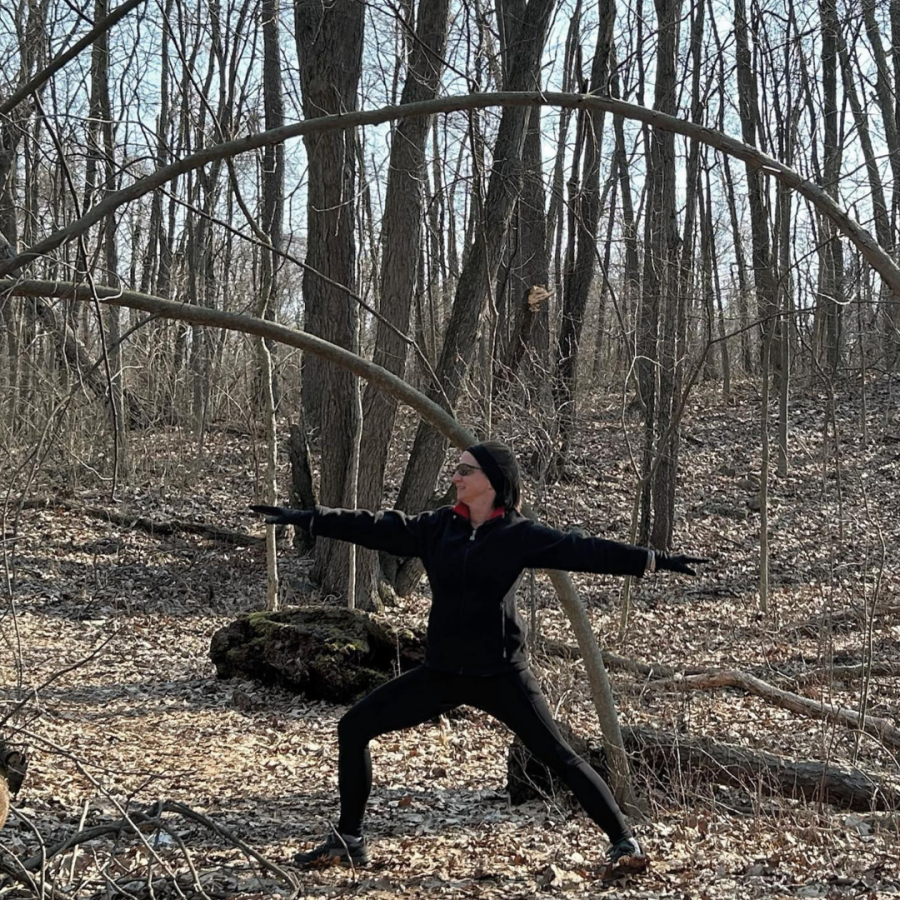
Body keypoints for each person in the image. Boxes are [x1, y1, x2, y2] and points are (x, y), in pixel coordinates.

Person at [251, 440, 706, 876]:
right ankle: (349, 840)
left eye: (465, 470)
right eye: (456, 468)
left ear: (492, 480)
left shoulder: (518, 535)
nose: (456, 475)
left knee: (561, 757)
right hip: (442, 673)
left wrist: (652, 560)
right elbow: (373, 526)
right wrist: (310, 518)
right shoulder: (437, 528)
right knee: (353, 727)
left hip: (501, 676)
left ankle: (623, 841)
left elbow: (583, 549)